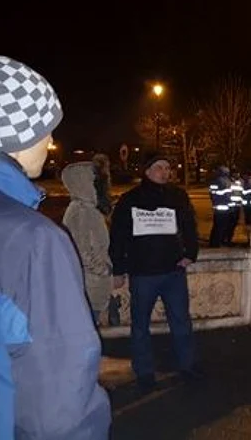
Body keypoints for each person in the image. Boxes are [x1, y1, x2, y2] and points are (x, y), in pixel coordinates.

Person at [0, 56, 110, 438]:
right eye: (44, 130)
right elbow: (60, 393)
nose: (49, 141)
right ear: (13, 133)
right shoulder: (32, 239)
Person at [109, 152, 201, 393]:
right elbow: (118, 235)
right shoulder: (130, 199)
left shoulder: (177, 196)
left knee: (181, 322)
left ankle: (187, 366)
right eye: (159, 167)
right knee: (140, 326)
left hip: (173, 272)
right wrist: (118, 268)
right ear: (147, 171)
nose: (165, 171)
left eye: (167, 167)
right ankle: (144, 371)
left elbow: (190, 226)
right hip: (142, 274)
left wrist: (190, 254)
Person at [61, 162, 113, 325]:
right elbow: (79, 251)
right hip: (88, 286)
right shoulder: (81, 211)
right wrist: (104, 270)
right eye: (97, 182)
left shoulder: (88, 209)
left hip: (90, 285)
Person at [208, 165, 234, 247]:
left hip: (218, 207)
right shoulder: (227, 181)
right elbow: (228, 195)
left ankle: (214, 242)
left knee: (217, 226)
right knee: (222, 226)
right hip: (225, 208)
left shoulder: (215, 181)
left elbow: (212, 194)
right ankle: (218, 242)